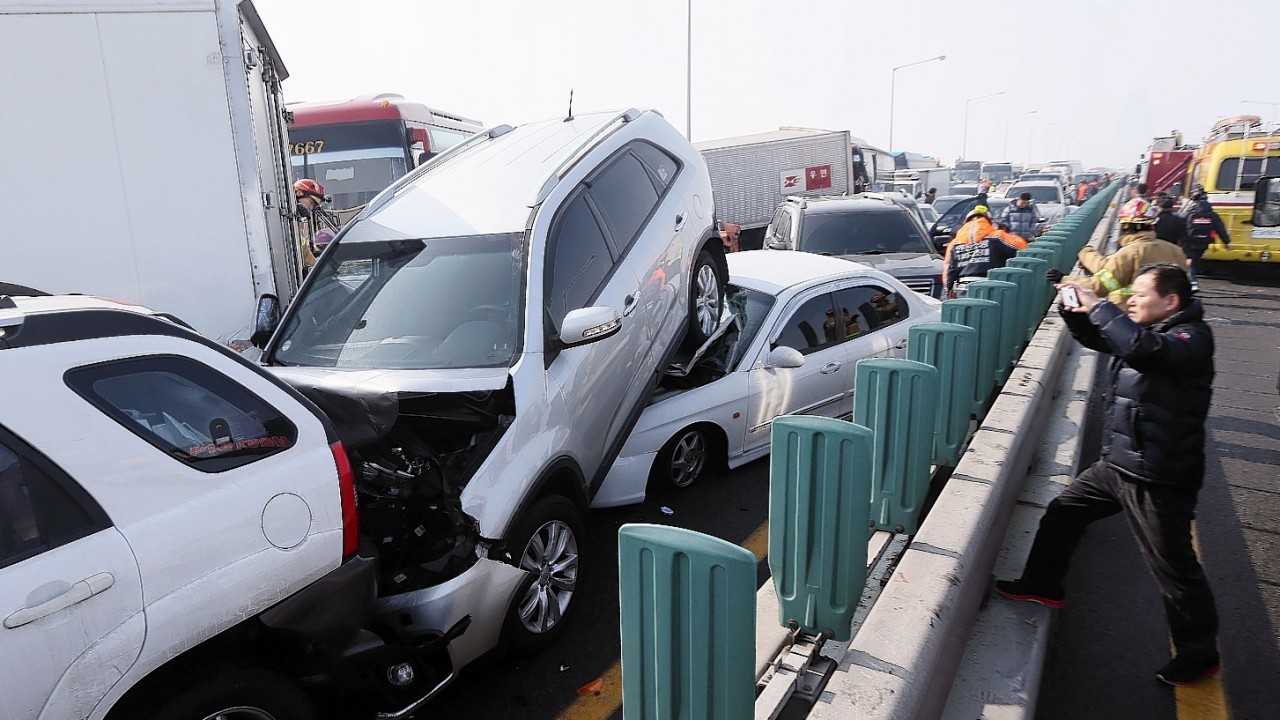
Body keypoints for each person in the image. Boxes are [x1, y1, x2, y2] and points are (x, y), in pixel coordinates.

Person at [997, 263, 1220, 688]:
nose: (1131, 299)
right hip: (1120, 464)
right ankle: (1043, 584)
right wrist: (1074, 309)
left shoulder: (1190, 338)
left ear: (1170, 301)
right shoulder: (1147, 332)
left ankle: (1199, 656)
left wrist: (1100, 304)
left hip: (1157, 477)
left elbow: (1142, 349)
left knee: (1174, 569)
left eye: (1140, 294)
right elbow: (1101, 338)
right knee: (1063, 512)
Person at [1066, 198, 1186, 305]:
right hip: (1168, 316)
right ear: (1152, 225)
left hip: (1128, 317)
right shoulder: (1176, 251)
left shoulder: (1129, 253)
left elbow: (1099, 286)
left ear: (1125, 227)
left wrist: (1064, 279)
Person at [942, 204, 1028, 298]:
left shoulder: (955, 243)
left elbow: (948, 270)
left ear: (966, 222)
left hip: (963, 289)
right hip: (991, 287)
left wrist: (948, 289)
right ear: (988, 220)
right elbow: (1023, 250)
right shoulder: (997, 237)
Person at [1184, 191, 1231, 292]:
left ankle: (1192, 282)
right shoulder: (1213, 215)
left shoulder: (1189, 213)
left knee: (1190, 261)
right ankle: (1191, 279)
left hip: (1190, 242)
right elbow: (1220, 229)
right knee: (1195, 261)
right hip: (1204, 242)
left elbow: (1179, 222)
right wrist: (1226, 242)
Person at [293, 178, 337, 273]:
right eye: (311, 202)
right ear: (299, 193)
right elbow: (303, 250)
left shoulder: (298, 221)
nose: (311, 208)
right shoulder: (290, 222)